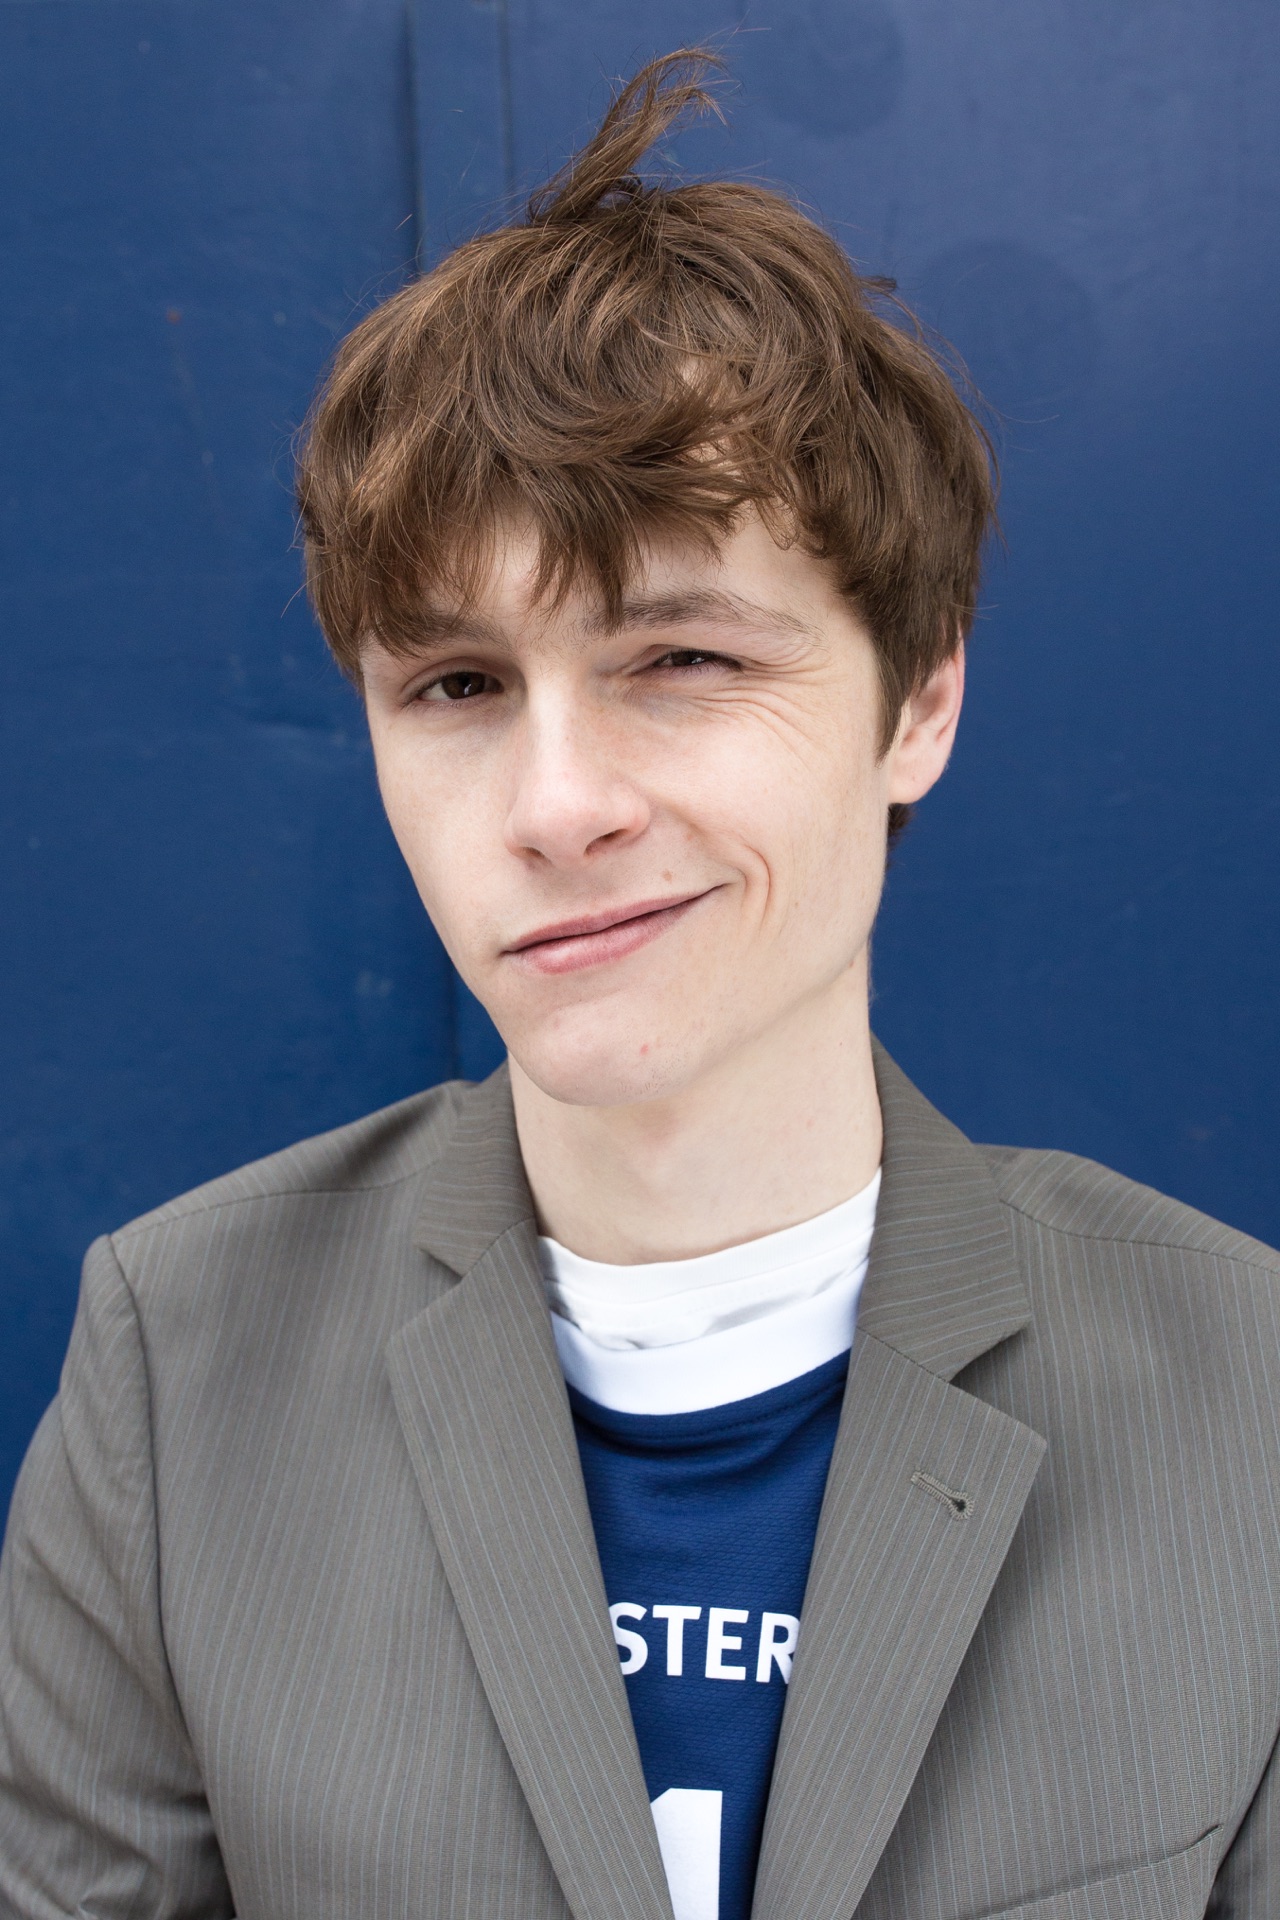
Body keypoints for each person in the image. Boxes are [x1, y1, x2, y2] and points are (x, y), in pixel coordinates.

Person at [2, 47, 1278, 1920]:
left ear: (920, 699)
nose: (555, 807)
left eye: (681, 659)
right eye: (455, 686)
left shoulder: (1247, 1400)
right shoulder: (178, 1374)